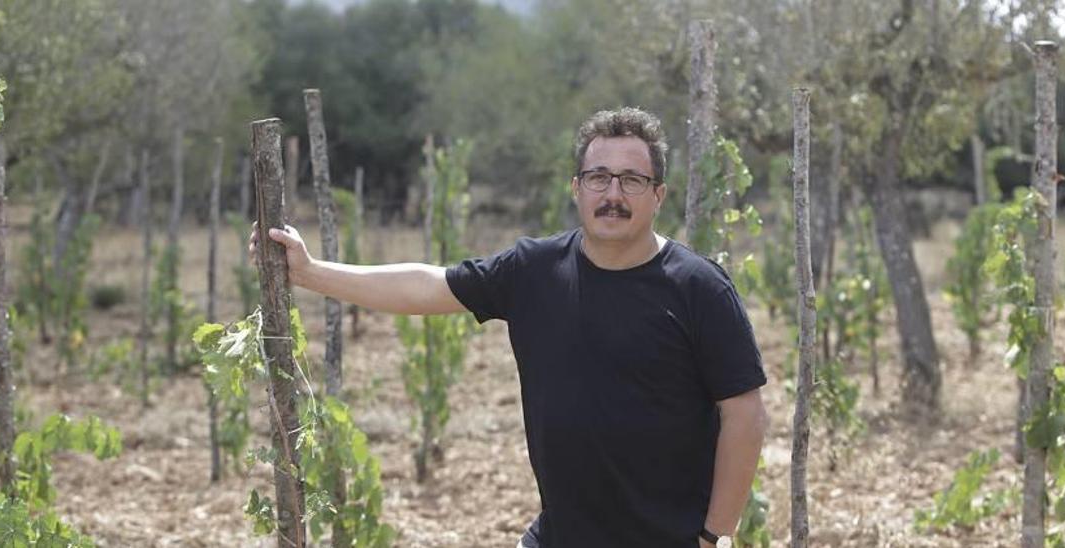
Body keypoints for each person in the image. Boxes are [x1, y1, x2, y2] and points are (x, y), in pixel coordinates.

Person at [251, 107, 767, 548]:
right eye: (599, 177)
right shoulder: (534, 270)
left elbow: (744, 414)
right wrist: (312, 272)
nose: (614, 193)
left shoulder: (699, 287)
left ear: (658, 194)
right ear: (576, 188)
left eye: (632, 180)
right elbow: (428, 286)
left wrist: (713, 535)